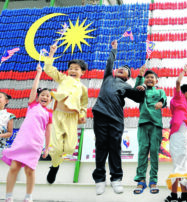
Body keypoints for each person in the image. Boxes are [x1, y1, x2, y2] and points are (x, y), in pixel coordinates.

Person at [92, 40, 145, 195]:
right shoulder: (108, 77)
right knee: (101, 146)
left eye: (126, 70)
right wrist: (114, 49)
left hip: (116, 119)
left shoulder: (127, 87)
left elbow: (139, 97)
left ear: (128, 77)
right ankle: (100, 179)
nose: (123, 69)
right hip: (101, 114)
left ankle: (116, 179)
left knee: (115, 147)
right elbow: (110, 63)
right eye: (121, 67)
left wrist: (141, 87)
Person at [2, 63, 52, 202]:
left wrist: (47, 147)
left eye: (48, 96)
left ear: (50, 100)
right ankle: (8, 197)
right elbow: (34, 88)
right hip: (22, 141)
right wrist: (38, 73)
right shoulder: (32, 105)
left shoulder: (49, 114)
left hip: (35, 144)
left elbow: (48, 132)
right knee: (14, 167)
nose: (45, 97)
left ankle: (28, 197)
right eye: (42, 95)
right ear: (37, 97)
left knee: (30, 171)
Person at [44, 42, 88, 184]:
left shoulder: (83, 88)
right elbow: (49, 69)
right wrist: (51, 53)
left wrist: (82, 116)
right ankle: (55, 166)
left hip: (71, 118)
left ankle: (58, 162)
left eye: (76, 69)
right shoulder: (63, 78)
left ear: (82, 72)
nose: (73, 70)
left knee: (69, 148)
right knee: (56, 147)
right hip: (58, 115)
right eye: (70, 68)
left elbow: (83, 105)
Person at [165, 65, 187, 202]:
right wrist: (183, 71)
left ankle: (176, 195)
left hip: (181, 134)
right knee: (182, 163)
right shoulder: (179, 98)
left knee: (181, 164)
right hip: (179, 134)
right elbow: (178, 83)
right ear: (182, 93)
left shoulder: (184, 105)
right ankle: (182, 195)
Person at [133, 68, 167, 195]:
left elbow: (164, 100)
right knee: (142, 151)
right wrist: (140, 77)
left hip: (156, 125)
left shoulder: (160, 91)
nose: (149, 79)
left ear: (156, 80)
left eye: (152, 77)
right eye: (147, 77)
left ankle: (153, 180)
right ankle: (141, 180)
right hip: (143, 124)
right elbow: (135, 91)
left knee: (153, 152)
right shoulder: (142, 90)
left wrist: (160, 103)